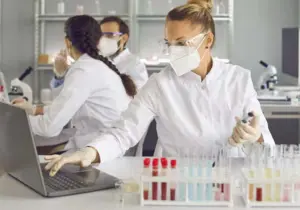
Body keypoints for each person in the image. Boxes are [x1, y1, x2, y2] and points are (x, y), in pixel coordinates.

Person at [45, 0, 274, 176]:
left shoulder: (239, 80)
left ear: (209, 40)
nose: (174, 51)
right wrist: (91, 151)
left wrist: (256, 137)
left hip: (229, 179)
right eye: (169, 43)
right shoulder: (161, 83)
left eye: (182, 43)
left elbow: (268, 148)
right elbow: (124, 132)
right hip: (176, 180)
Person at [13, 15, 137, 150]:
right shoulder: (96, 64)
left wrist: (12, 120)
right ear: (98, 40)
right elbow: (65, 105)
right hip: (103, 144)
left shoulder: (84, 69)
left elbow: (49, 127)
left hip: (100, 150)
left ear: (67, 42)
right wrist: (32, 110)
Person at [50, 16, 148, 93]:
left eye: (109, 35)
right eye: (101, 36)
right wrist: (60, 76)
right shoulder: (93, 60)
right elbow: (65, 92)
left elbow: (139, 101)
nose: (103, 40)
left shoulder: (135, 64)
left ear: (124, 38)